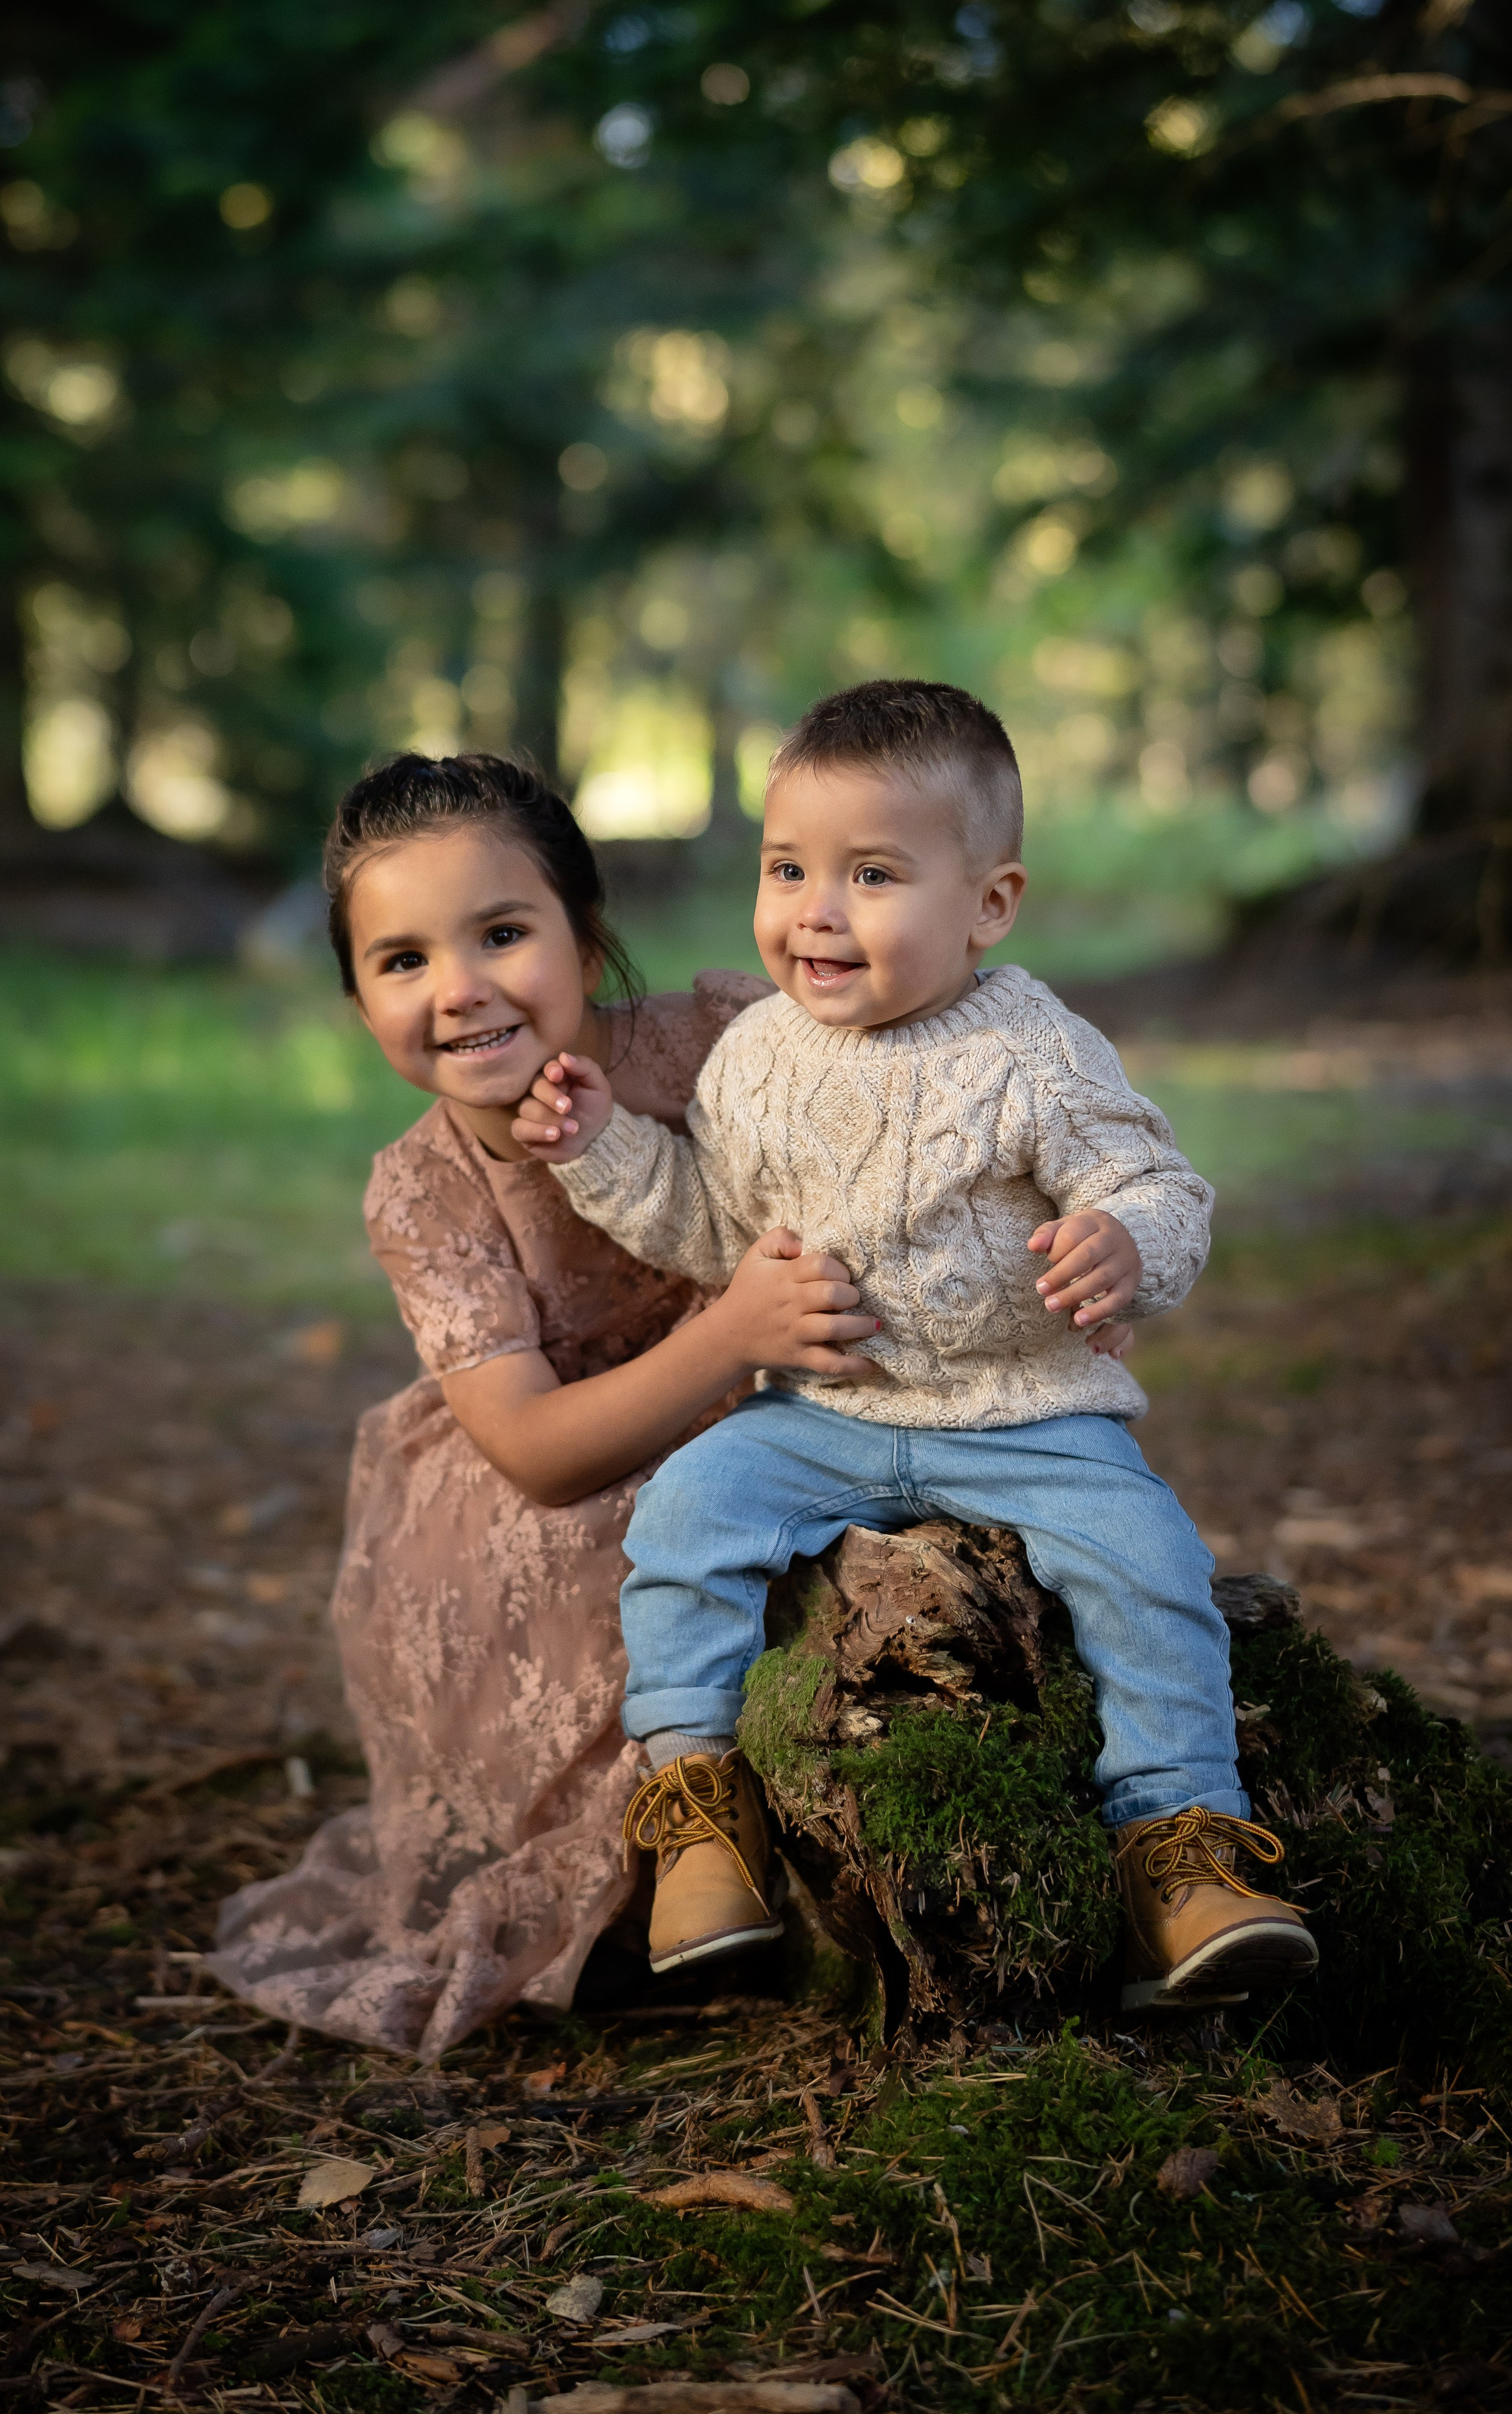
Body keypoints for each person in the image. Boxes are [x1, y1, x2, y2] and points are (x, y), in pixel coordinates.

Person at [515, 678, 1319, 2014]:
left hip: (1028, 1414)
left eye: (871, 875)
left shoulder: (1032, 1049)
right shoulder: (757, 1059)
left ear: (984, 903)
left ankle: (1177, 1851)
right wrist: (602, 1148)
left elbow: (1156, 1184)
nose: (814, 912)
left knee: (1150, 1566)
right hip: (822, 1412)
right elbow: (716, 1232)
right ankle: (699, 1810)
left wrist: (1120, 1239)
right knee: (686, 1512)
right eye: (786, 870)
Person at [208, 750, 888, 2059]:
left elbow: (904, 1103)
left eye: (501, 934)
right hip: (564, 1469)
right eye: (399, 961)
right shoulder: (423, 1188)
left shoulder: (718, 1043)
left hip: (792, 1398)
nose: (456, 989)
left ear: (586, 939)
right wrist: (733, 1335)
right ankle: (657, 1884)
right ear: (357, 1003)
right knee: (611, 1559)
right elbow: (530, 1450)